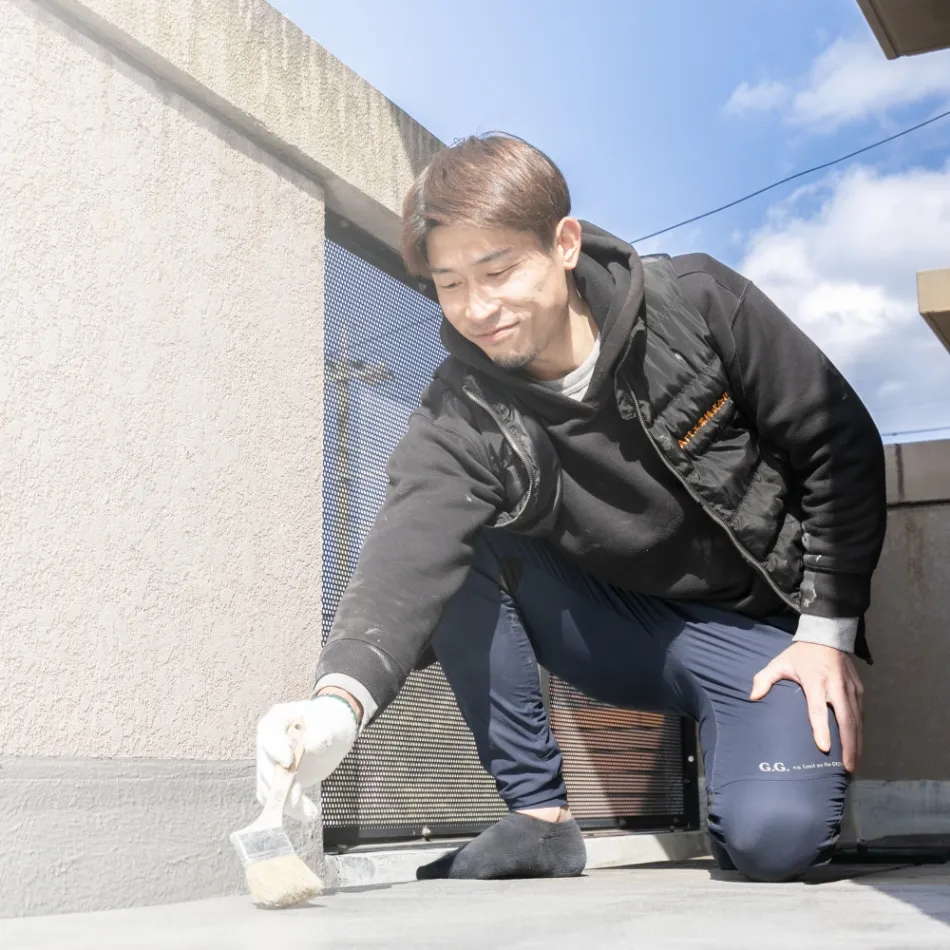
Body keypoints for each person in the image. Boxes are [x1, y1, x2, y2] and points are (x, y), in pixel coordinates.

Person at [256, 133, 886, 883]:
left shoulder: (701, 305)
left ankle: (753, 768)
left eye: (497, 270)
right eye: (450, 284)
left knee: (773, 843)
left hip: (761, 641)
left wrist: (827, 631)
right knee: (461, 545)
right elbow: (406, 553)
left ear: (563, 242)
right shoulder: (461, 410)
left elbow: (836, 443)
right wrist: (336, 709)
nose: (477, 309)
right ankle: (539, 818)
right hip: (615, 631)